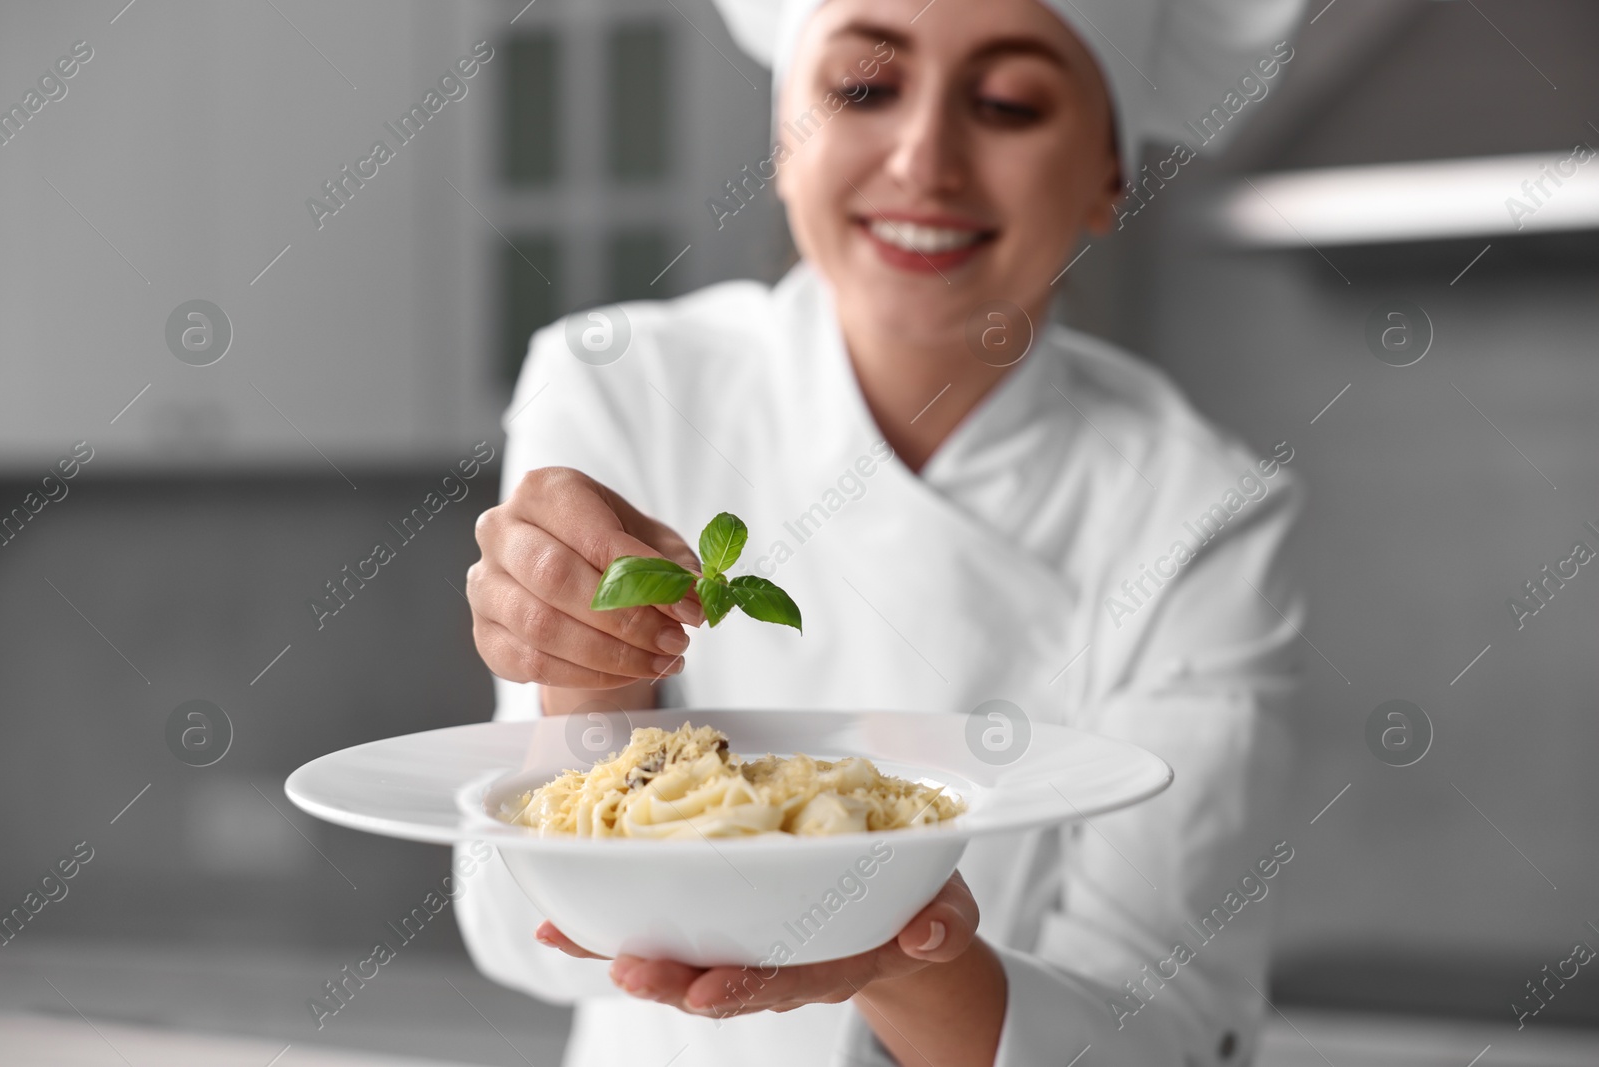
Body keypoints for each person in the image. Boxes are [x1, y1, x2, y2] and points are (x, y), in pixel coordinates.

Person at [458, 0, 1309, 1063]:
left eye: (1006, 103)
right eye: (863, 88)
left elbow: (1163, 1034)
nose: (924, 160)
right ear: (783, 133)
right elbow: (524, 937)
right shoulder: (622, 386)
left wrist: (903, 954)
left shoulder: (1200, 514)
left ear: (1107, 171)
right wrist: (582, 673)